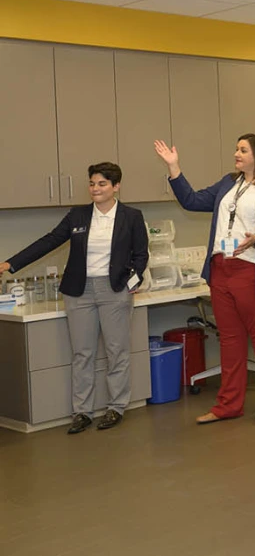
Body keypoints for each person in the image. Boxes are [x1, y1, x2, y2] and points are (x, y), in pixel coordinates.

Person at [154, 134, 255, 425]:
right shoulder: (229, 183)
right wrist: (174, 168)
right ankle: (228, 404)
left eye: (243, 150)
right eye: (236, 149)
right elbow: (191, 201)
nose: (236, 154)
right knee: (230, 341)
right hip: (222, 269)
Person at [1, 163, 148, 434]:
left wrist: (134, 280)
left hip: (114, 290)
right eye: (92, 183)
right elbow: (49, 241)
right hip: (79, 291)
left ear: (116, 186)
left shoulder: (131, 216)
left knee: (117, 351)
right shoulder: (78, 215)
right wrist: (11, 263)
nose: (95, 189)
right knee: (83, 353)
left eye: (102, 184)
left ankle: (116, 406)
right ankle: (82, 411)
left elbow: (141, 254)